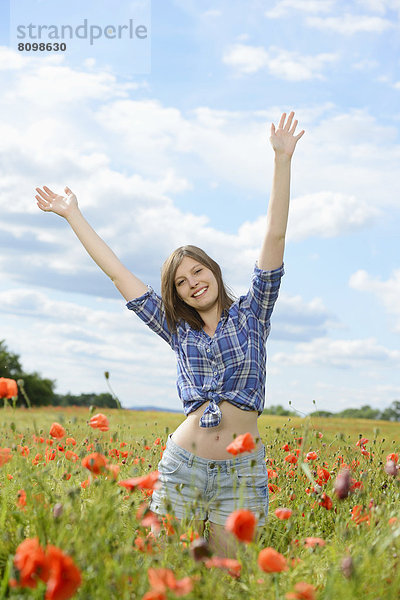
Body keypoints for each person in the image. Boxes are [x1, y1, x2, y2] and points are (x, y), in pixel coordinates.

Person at [35, 111, 304, 558]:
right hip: (183, 464)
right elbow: (118, 274)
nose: (193, 282)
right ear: (176, 294)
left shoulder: (253, 314)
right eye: (181, 281)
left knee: (224, 576)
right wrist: (72, 214)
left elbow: (275, 235)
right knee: (163, 569)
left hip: (241, 472)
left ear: (213, 272)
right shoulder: (178, 330)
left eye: (198, 271)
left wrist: (281, 160)